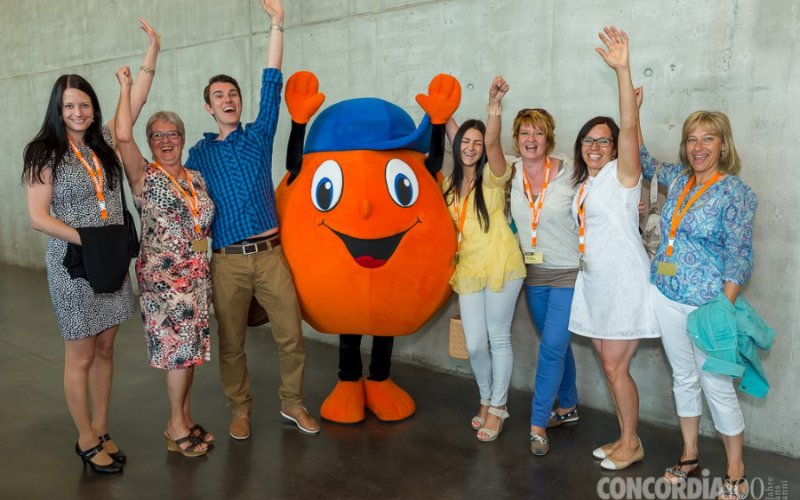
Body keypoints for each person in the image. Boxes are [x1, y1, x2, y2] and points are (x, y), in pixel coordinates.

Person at [22, 19, 160, 473]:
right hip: (75, 261)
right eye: (69, 106)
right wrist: (91, 239)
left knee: (106, 348)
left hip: (110, 258)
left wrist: (148, 58)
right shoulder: (44, 152)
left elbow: (133, 108)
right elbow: (39, 218)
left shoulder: (103, 144)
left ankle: (101, 426)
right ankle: (84, 437)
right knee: (80, 354)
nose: (78, 111)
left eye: (84, 104)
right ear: (57, 110)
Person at [185, 0, 319, 439]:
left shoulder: (259, 136)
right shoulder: (199, 156)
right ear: (208, 107)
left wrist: (277, 25)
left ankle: (293, 404)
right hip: (225, 263)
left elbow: (272, 83)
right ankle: (239, 409)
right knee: (231, 346)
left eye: (232, 94)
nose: (228, 100)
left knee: (291, 338)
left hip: (269, 256)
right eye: (219, 96)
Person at [639, 95, 757, 498]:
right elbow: (642, 159)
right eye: (692, 139)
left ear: (723, 145)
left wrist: (723, 308)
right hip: (667, 294)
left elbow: (740, 256)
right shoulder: (678, 177)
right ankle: (689, 455)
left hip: (708, 306)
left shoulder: (734, 193)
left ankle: (736, 471)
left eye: (708, 139)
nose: (699, 147)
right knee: (684, 378)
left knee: (717, 386)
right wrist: (632, 110)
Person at [567, 26, 660, 470]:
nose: (595, 146)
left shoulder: (624, 178)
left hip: (623, 281)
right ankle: (626, 437)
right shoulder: (586, 184)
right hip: (595, 280)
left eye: (604, 140)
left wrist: (623, 69)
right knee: (608, 365)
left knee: (615, 368)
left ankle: (632, 443)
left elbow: (630, 128)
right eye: (589, 140)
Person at [114, 65, 215, 457]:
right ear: (150, 143)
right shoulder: (143, 175)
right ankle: (175, 426)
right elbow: (122, 134)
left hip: (197, 276)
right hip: (164, 281)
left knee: (190, 351)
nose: (166, 140)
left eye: (173, 134)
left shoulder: (196, 177)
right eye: (157, 136)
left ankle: (185, 419)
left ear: (183, 139)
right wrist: (126, 87)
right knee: (177, 350)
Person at [442, 77, 526, 443]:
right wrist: (444, 115)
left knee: (498, 338)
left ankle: (497, 407)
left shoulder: (494, 177)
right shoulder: (448, 186)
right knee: (475, 344)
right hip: (470, 270)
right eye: (466, 141)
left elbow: (492, 141)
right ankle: (486, 396)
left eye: (477, 142)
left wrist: (494, 103)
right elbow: (452, 132)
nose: (472, 147)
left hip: (502, 266)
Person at [496, 103, 580, 456]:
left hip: (568, 273)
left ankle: (537, 424)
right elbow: (479, 146)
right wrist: (492, 107)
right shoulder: (511, 172)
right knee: (555, 342)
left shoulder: (571, 172)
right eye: (525, 132)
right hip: (532, 275)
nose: (532, 138)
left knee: (550, 349)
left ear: (549, 138)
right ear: (516, 139)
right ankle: (569, 405)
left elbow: (603, 195)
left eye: (539, 132)